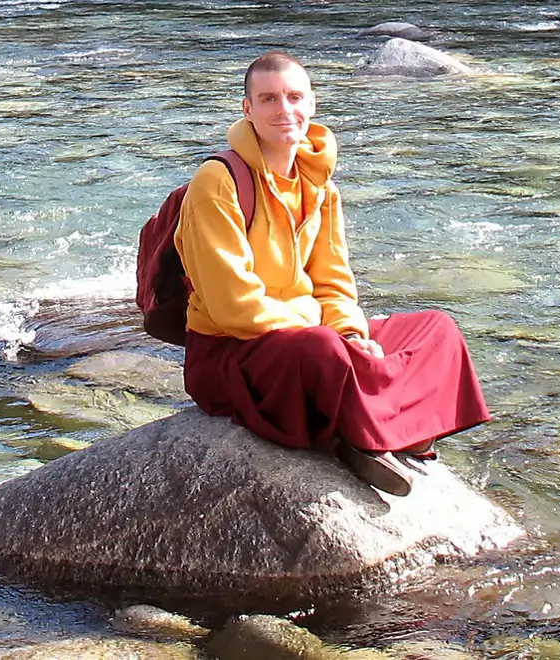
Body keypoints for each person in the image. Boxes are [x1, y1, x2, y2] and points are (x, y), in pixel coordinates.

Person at [174, 50, 490, 496]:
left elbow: (333, 281)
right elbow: (233, 307)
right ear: (248, 109)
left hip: (306, 337)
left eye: (294, 97)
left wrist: (352, 333)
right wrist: (329, 334)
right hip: (230, 352)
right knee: (324, 350)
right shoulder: (219, 180)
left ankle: (364, 424)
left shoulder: (319, 185)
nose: (284, 110)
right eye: (268, 99)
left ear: (312, 103)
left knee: (436, 329)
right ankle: (378, 428)